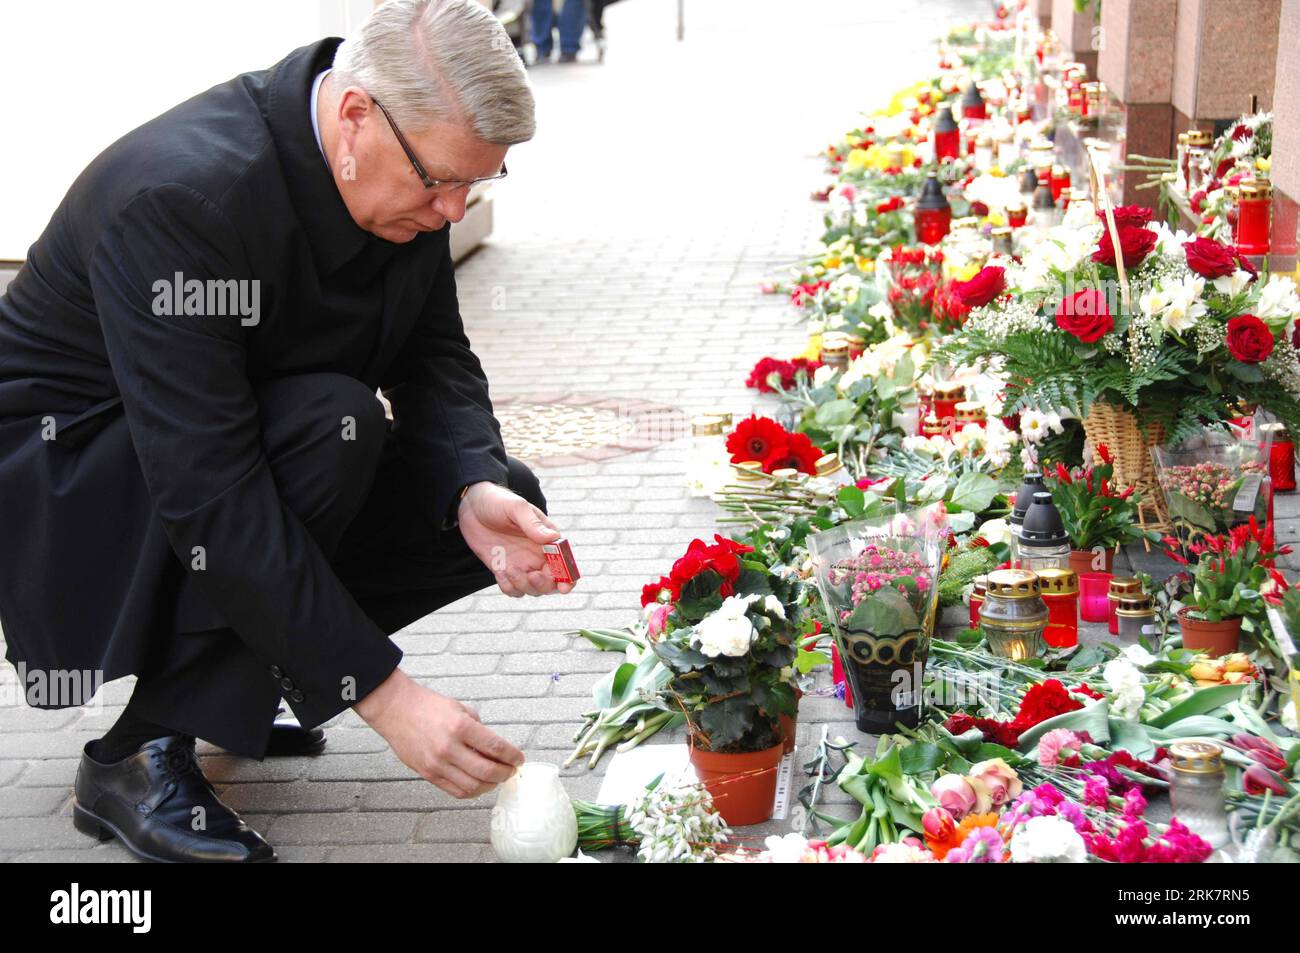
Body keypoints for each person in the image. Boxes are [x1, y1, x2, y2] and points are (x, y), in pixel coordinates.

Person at [0, 0, 574, 862]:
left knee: (486, 500)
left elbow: (434, 361)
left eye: (478, 185)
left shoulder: (399, 173)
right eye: (442, 181)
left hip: (226, 460)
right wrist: (383, 693)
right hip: (77, 491)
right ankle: (135, 755)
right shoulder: (181, 198)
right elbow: (210, 494)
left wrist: (470, 486)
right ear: (355, 118)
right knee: (334, 427)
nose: (455, 209)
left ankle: (235, 685)